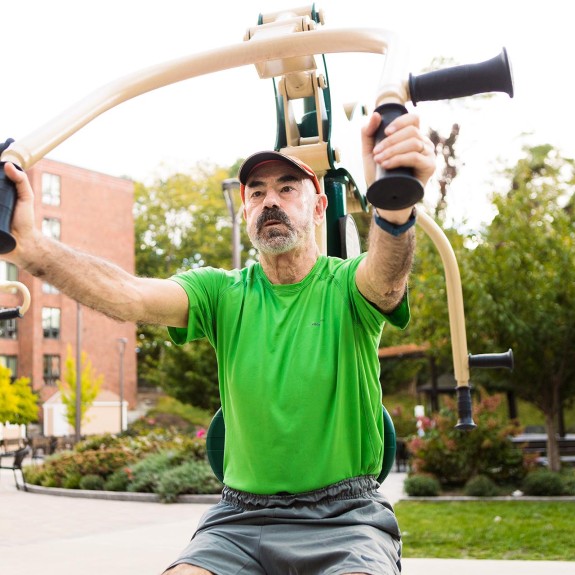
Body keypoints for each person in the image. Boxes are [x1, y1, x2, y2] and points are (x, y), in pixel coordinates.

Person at [3, 110, 435, 575]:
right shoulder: (220, 292)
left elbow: (388, 278)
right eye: (257, 193)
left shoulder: (348, 285)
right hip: (241, 519)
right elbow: (129, 295)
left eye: (287, 188)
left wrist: (393, 203)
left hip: (347, 517)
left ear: (317, 208)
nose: (270, 201)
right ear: (246, 211)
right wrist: (33, 249)